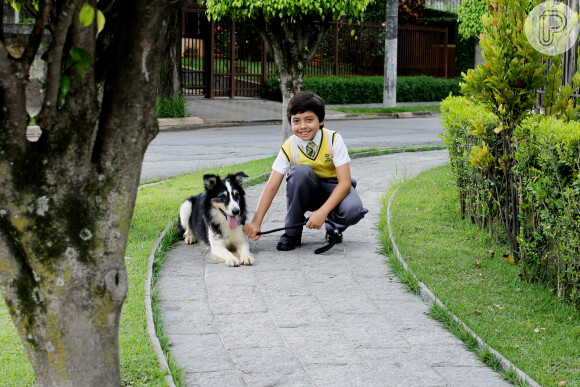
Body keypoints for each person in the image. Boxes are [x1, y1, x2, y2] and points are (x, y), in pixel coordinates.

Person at [243, 90, 367, 251]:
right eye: (296, 121)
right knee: (300, 172)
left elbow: (344, 184)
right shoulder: (290, 145)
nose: (302, 126)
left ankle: (333, 230)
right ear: (291, 123)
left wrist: (322, 212)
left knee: (354, 209)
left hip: (334, 189)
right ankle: (292, 234)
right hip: (308, 191)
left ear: (320, 120)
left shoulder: (334, 139)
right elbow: (271, 186)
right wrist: (256, 222)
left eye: (309, 120)